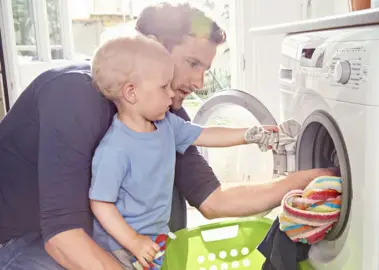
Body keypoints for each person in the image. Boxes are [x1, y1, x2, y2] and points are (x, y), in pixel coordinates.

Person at [0, 3, 337, 269]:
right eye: (192, 63)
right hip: (22, 241)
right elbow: (62, 238)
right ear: (152, 49)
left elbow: (214, 200)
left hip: (90, 235)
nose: (200, 82)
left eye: (205, 68)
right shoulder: (74, 96)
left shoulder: (161, 114)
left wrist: (307, 179)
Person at [88, 33, 279, 269]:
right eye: (163, 86)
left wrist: (249, 134)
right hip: (120, 247)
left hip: (155, 237)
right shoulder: (115, 149)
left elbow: (204, 134)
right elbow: (101, 204)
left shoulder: (167, 124)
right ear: (131, 92)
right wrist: (134, 241)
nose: (171, 93)